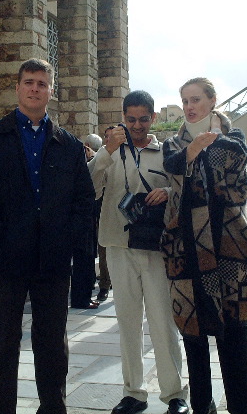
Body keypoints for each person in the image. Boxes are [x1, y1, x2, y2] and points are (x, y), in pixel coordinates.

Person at [0, 58, 95, 414]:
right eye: (29, 82)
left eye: (42, 83)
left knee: (52, 343)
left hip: (52, 260)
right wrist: (0, 235)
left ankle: (53, 407)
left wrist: (66, 239)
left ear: (52, 91)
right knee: (2, 342)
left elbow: (83, 201)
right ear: (17, 87)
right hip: (7, 258)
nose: (35, 88)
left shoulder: (68, 145)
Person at [161, 77, 247, 414]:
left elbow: (236, 192)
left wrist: (203, 154)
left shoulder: (234, 141)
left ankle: (243, 405)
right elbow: (173, 172)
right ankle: (202, 405)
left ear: (212, 101)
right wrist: (192, 152)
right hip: (186, 250)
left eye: (196, 100)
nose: (189, 107)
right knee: (193, 334)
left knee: (234, 332)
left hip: (230, 246)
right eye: (185, 100)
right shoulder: (172, 145)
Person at [88, 91, 188, 414]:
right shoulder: (112, 150)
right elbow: (88, 187)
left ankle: (175, 393)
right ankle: (133, 391)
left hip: (155, 246)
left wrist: (168, 191)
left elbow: (185, 190)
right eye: (131, 119)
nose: (137, 125)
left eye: (143, 119)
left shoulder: (166, 151)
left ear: (153, 118)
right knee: (127, 321)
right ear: (123, 118)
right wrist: (106, 151)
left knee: (162, 320)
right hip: (119, 243)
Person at [69, 133, 105, 309]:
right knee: (83, 257)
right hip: (80, 217)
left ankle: (83, 295)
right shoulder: (78, 153)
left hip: (85, 215)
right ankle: (81, 298)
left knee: (86, 257)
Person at [96, 126, 116, 302]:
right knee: (103, 254)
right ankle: (104, 285)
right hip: (104, 216)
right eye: (107, 137)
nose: (110, 139)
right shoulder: (101, 157)